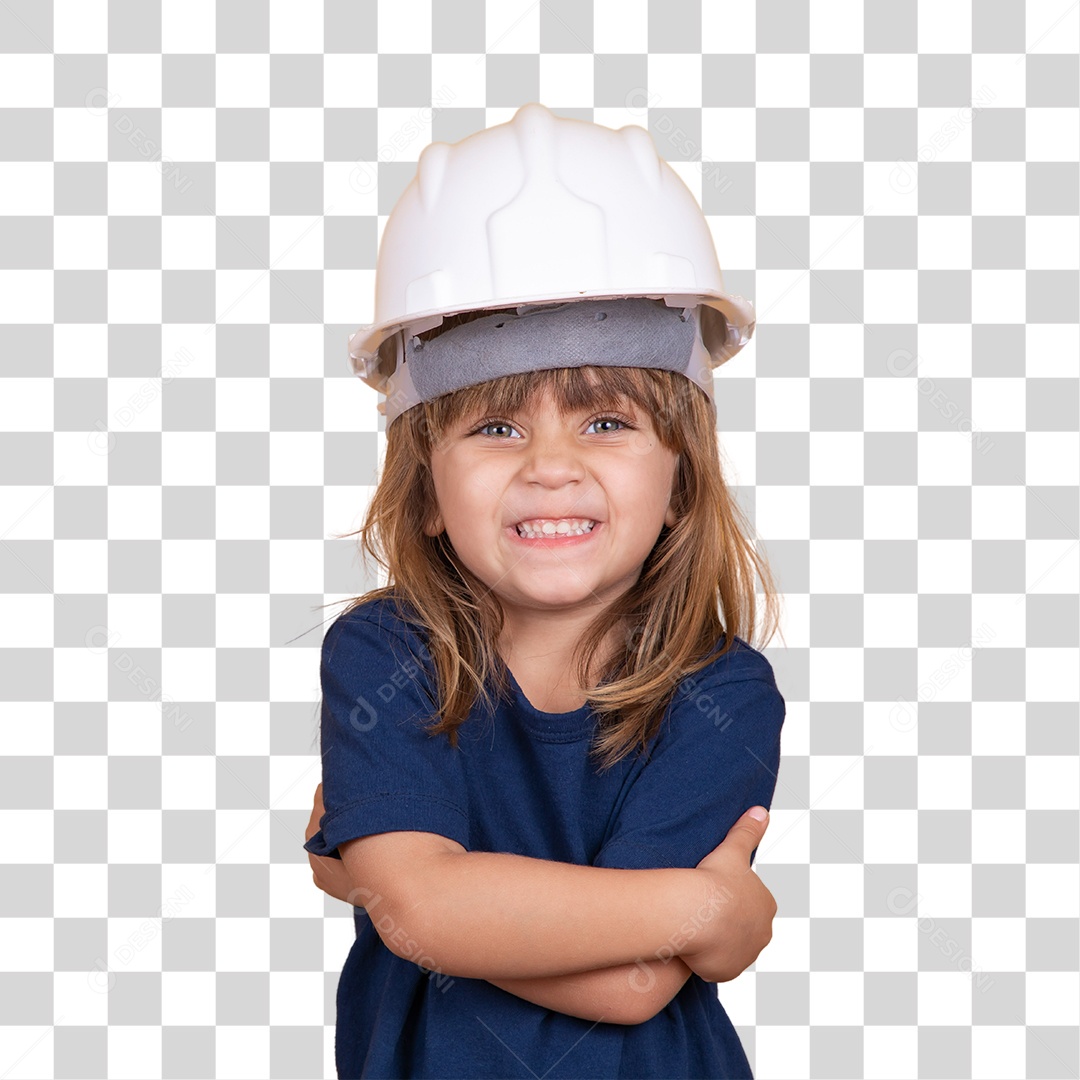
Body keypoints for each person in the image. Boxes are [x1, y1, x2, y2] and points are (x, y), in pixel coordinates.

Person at [303, 102, 787, 1079]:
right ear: (428, 490)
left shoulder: (723, 693)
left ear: (680, 476)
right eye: (496, 427)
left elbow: (634, 986)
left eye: (606, 423)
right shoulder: (385, 653)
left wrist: (390, 881)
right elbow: (426, 912)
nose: (552, 467)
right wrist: (711, 909)